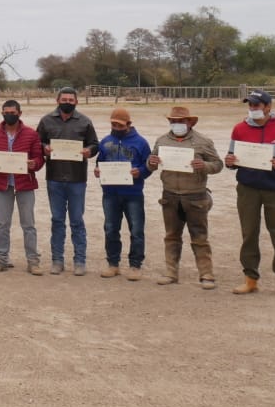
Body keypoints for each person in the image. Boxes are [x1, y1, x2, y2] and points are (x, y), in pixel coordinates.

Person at [225, 90, 275, 301]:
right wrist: (229, 162)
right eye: (250, 105)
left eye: (257, 105)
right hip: (247, 188)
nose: (253, 109)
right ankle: (250, 278)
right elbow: (232, 159)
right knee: (249, 233)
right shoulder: (239, 128)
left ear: (268, 106)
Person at [146, 106, 222, 289]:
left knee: (199, 237)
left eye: (180, 121)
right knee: (172, 236)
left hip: (195, 195)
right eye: (173, 121)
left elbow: (218, 164)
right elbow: (151, 166)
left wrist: (203, 165)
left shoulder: (203, 141)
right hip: (170, 195)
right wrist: (151, 162)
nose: (177, 124)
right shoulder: (162, 140)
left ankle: (206, 274)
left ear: (189, 122)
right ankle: (171, 272)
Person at [36, 87, 99, 276]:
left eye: (71, 100)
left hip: (77, 178)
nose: (68, 102)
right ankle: (57, 260)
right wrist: (44, 147)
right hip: (54, 177)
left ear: (76, 102)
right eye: (64, 99)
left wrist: (89, 151)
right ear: (57, 100)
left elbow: (94, 144)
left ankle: (79, 261)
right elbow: (36, 143)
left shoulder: (85, 122)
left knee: (77, 220)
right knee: (57, 220)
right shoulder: (46, 121)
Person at [0, 100, 46, 275]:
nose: (9, 115)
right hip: (4, 184)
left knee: (28, 224)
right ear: (2, 113)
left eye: (12, 112)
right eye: (6, 112)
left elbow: (39, 158)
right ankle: (1, 259)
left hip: (25, 183)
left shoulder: (31, 134)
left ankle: (33, 261)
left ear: (20, 113)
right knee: (2, 223)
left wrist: (35, 164)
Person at [92, 107, 152, 281]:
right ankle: (113, 264)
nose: (116, 127)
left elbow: (149, 166)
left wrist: (140, 172)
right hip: (110, 193)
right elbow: (100, 162)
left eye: (119, 124)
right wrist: (98, 171)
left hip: (133, 193)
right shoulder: (105, 141)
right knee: (111, 228)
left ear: (128, 124)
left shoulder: (141, 142)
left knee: (136, 229)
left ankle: (135, 265)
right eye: (113, 124)